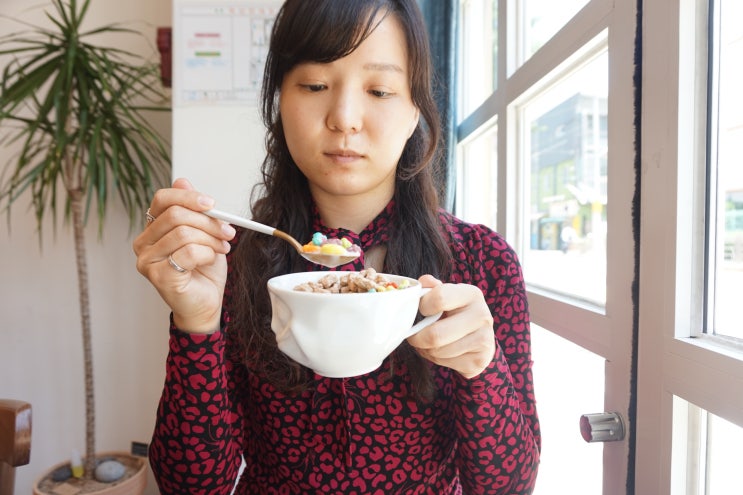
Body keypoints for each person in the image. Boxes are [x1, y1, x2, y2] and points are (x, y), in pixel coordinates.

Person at [133, 0, 540, 493]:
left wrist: (483, 369)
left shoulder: (482, 261)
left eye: (380, 89)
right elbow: (191, 485)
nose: (345, 118)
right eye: (315, 85)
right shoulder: (232, 260)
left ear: (415, 110)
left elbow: (507, 485)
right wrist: (195, 323)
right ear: (279, 100)